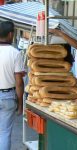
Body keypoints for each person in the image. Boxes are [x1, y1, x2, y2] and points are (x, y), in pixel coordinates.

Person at [0, 21, 24, 150]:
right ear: (10, 34)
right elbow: (19, 82)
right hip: (8, 96)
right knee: (4, 132)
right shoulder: (15, 53)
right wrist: (20, 104)